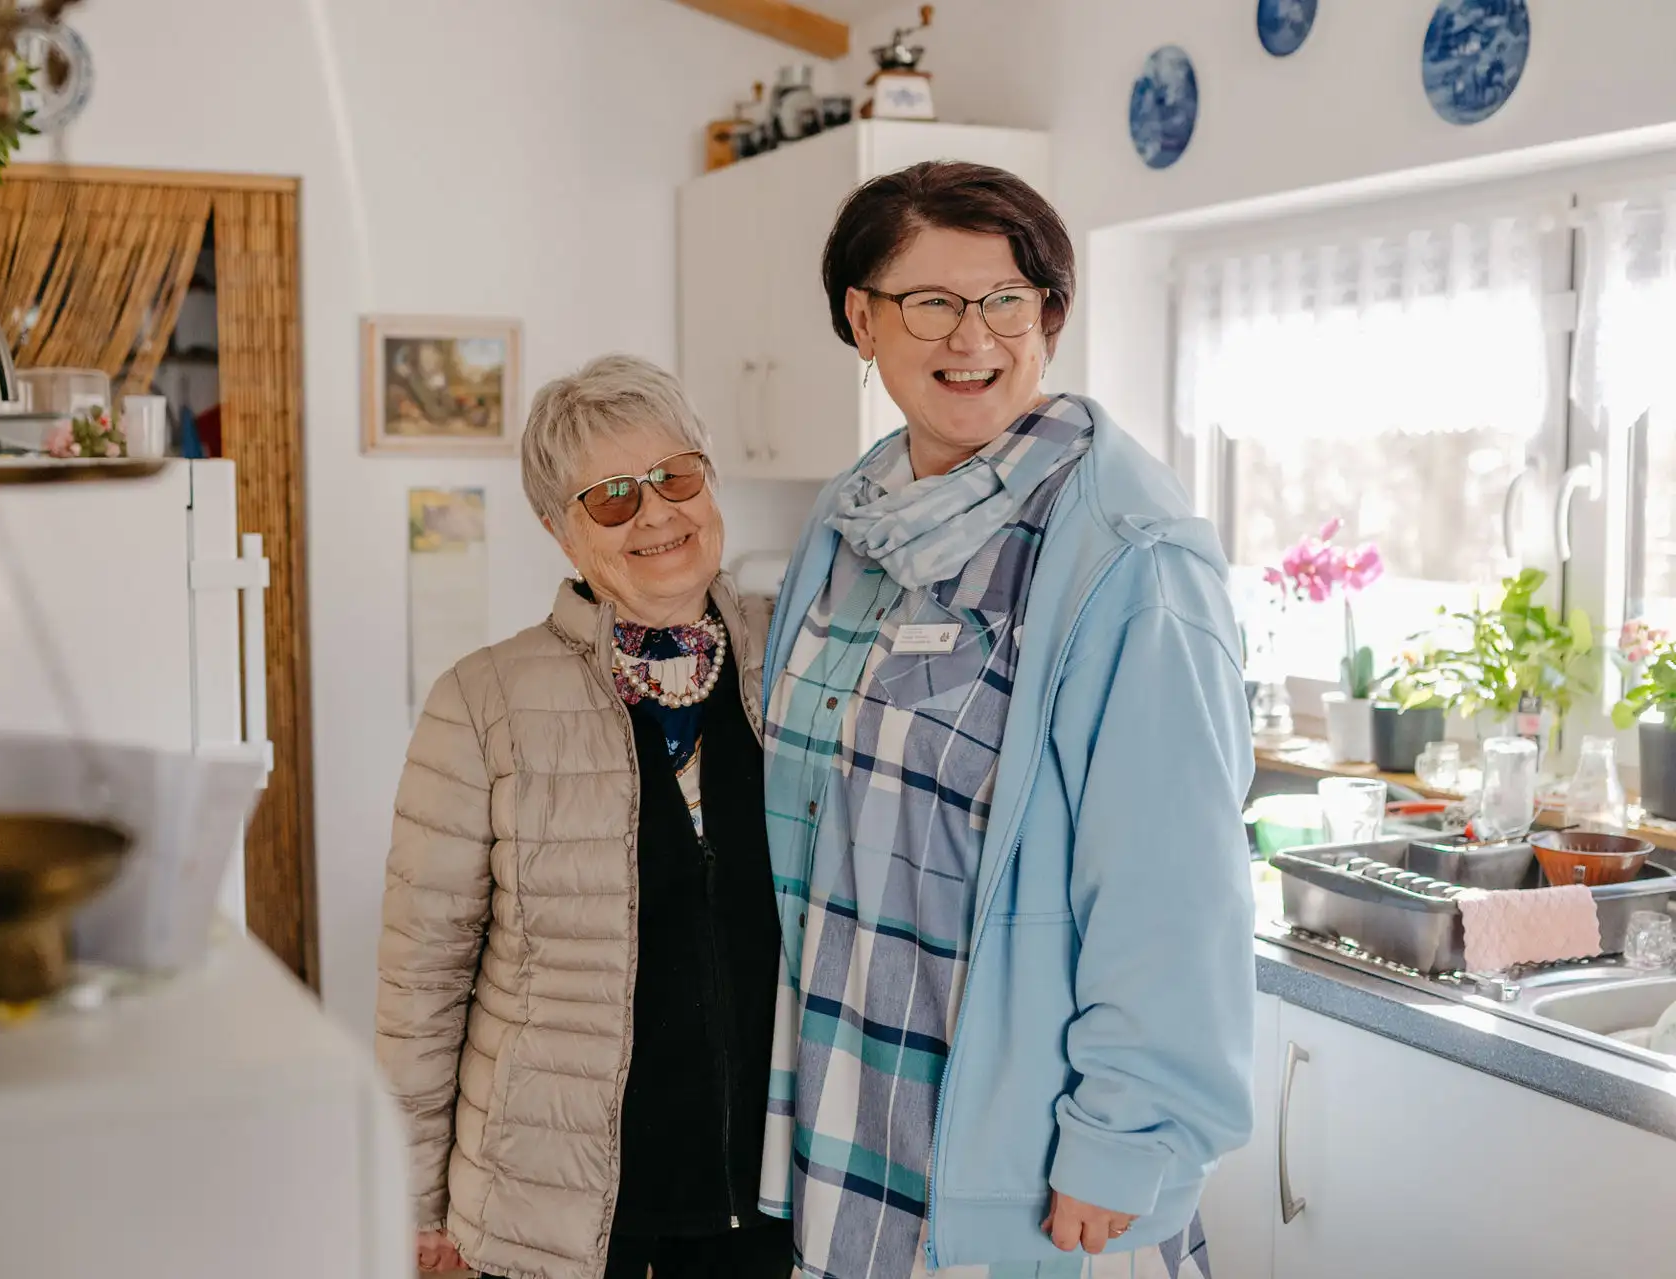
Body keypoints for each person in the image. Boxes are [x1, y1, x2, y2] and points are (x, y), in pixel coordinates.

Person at [756, 161, 1256, 1279]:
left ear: (1051, 317)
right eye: (929, 301)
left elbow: (1177, 891)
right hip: (850, 1130)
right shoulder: (851, 523)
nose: (969, 336)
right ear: (861, 320)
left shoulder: (1128, 559)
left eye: (1006, 301)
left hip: (1028, 1180)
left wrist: (1126, 1140)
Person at [378, 355, 791, 1279]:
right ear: (560, 531)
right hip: (558, 1208)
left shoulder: (799, 661)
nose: (655, 514)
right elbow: (422, 985)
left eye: (675, 476)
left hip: (774, 1192)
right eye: (609, 497)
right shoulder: (482, 702)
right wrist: (412, 1206)